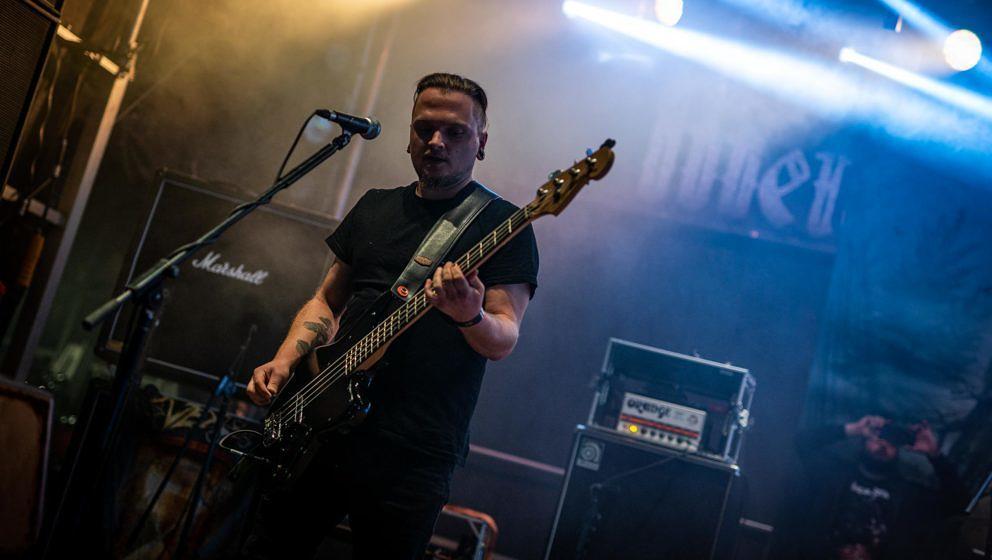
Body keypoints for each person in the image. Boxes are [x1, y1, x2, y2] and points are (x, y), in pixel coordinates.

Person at [239, 73, 539, 559]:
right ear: (409, 134)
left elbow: (503, 337)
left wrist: (469, 316)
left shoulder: (504, 226)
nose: (436, 141)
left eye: (455, 132)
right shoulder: (375, 206)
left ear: (481, 142)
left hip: (413, 450)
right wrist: (285, 360)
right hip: (322, 425)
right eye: (424, 128)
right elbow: (325, 301)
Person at [788, 415, 966, 560]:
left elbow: (957, 503)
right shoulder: (834, 475)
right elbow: (802, 442)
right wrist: (852, 429)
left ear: (899, 449)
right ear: (865, 439)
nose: (883, 444)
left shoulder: (907, 496)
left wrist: (935, 455)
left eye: (891, 441)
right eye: (877, 436)